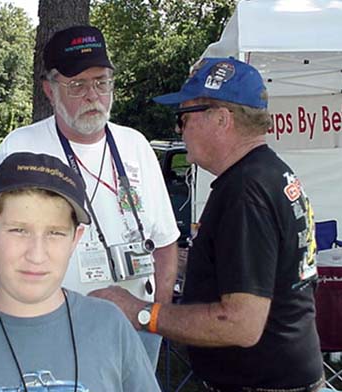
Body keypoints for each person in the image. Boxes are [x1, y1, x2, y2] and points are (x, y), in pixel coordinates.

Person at [90, 57, 325, 391]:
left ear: (221, 119)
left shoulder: (245, 192)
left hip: (262, 383)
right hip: (285, 372)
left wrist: (141, 312)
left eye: (183, 118)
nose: (178, 129)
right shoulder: (270, 173)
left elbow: (241, 324)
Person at [0, 25, 180, 366]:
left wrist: (158, 315)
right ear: (49, 90)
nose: (92, 95)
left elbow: (166, 242)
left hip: (136, 330)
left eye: (101, 82)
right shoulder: (20, 148)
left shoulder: (136, 145)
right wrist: (19, 319)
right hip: (51, 332)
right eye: (77, 85)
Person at [0, 152, 161, 392]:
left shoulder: (110, 327)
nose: (36, 255)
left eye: (55, 233)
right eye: (18, 230)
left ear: (75, 239)